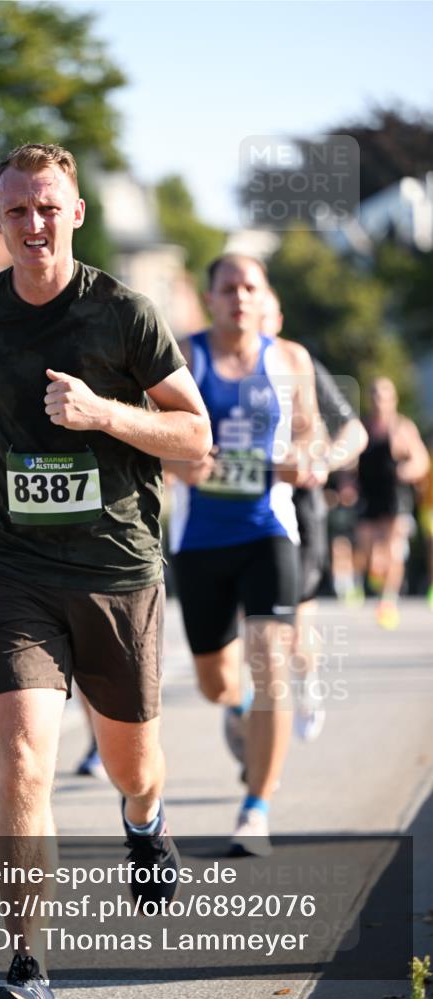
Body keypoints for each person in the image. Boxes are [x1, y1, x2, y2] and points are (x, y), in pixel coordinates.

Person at [0, 143, 211, 999]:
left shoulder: (124, 314)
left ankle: (145, 823)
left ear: (74, 212)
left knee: (129, 764)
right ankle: (28, 965)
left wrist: (105, 412)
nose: (33, 224)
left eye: (46, 207)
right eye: (15, 210)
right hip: (15, 567)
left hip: (116, 567)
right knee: (25, 760)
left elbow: (196, 439)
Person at [165, 253, 324, 858]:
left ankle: (256, 808)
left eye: (249, 286)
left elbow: (308, 431)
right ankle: (237, 709)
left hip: (268, 531)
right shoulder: (186, 355)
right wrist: (186, 464)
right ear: (209, 298)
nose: (238, 296)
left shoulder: (289, 360)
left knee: (271, 663)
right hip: (201, 539)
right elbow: (156, 439)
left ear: (264, 296)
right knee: (216, 681)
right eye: (227, 287)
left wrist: (304, 459)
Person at [260, 288, 367, 741]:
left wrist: (323, 461)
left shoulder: (296, 363)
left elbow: (354, 431)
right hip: (238, 508)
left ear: (277, 318)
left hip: (298, 508)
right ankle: (253, 712)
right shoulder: (213, 365)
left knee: (291, 623)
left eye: (263, 313)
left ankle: (302, 688)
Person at [354, 377, 430, 629]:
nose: (379, 401)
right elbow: (348, 463)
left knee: (393, 549)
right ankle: (377, 573)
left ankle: (387, 602)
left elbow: (421, 460)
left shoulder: (402, 428)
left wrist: (407, 469)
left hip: (395, 497)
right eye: (375, 395)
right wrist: (346, 482)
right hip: (369, 495)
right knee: (369, 552)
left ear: (393, 399)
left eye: (384, 396)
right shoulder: (362, 427)